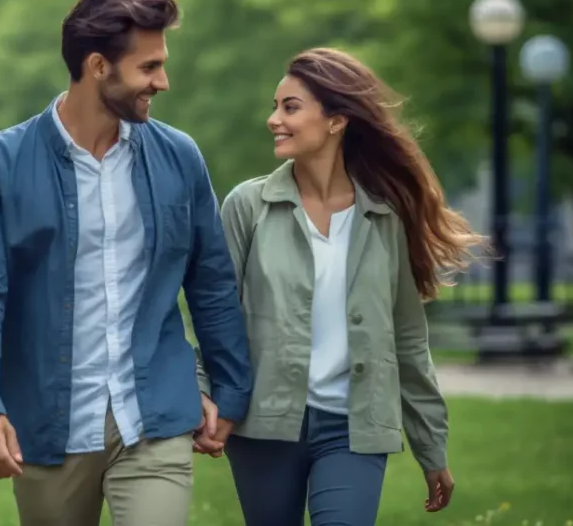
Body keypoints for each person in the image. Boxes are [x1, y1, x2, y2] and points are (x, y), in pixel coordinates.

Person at [0, 0, 253, 526]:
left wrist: (228, 390)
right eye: (149, 67)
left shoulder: (179, 157)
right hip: (46, 423)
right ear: (97, 66)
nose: (163, 81)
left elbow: (210, 282)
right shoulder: (1, 163)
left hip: (153, 418)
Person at [195, 47, 481, 524]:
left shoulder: (386, 215)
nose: (273, 120)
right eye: (275, 106)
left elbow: (408, 338)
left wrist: (431, 446)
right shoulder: (249, 206)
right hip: (265, 425)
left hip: (355, 427)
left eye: (290, 107)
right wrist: (206, 395)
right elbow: (218, 315)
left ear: (336, 120)